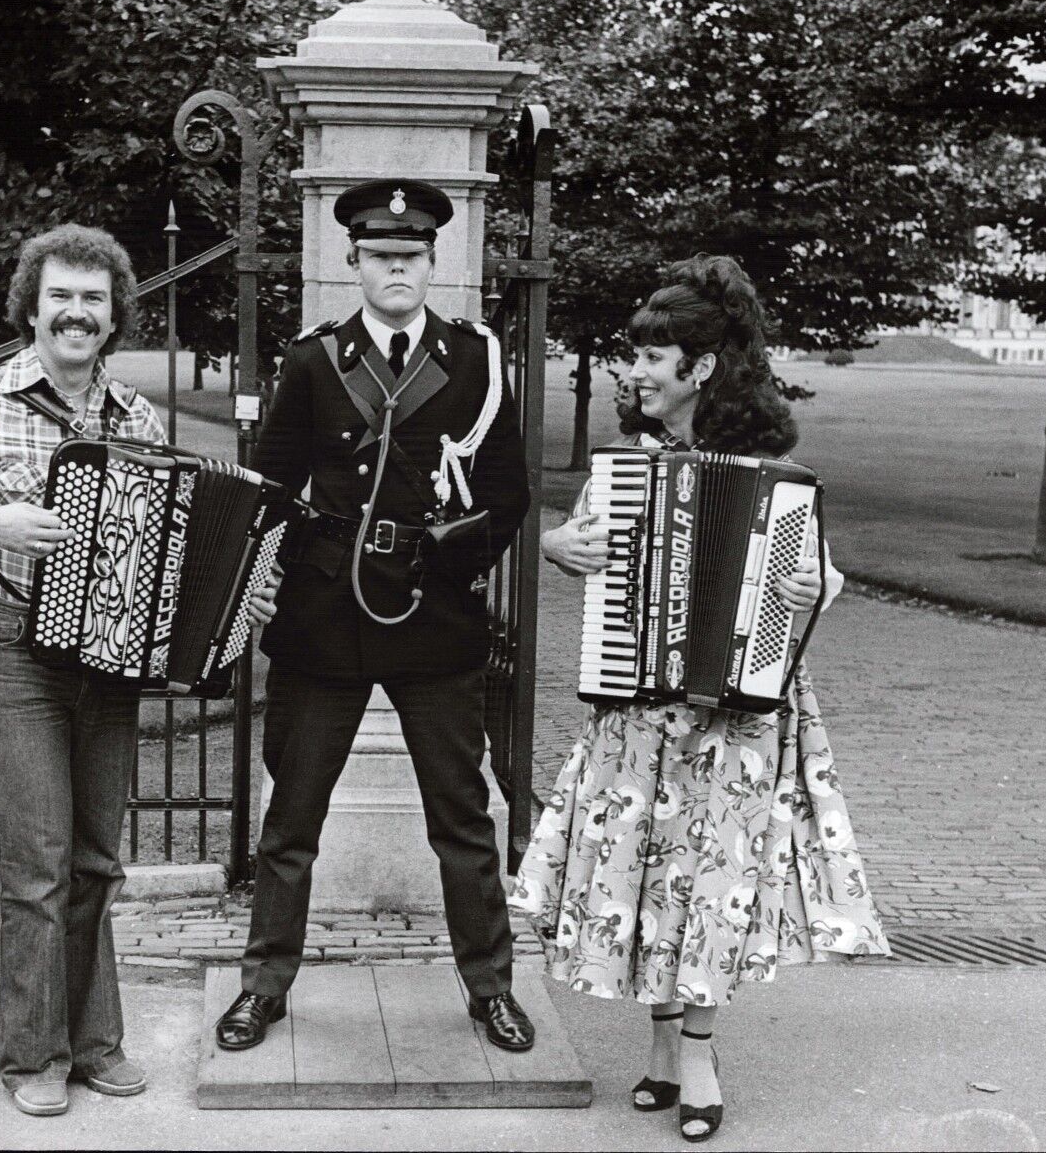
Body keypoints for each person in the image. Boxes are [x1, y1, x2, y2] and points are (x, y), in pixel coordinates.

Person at [0, 223, 279, 1117]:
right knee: (38, 858)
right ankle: (30, 1056)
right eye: (61, 298)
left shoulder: (133, 417)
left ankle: (94, 1042)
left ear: (113, 313)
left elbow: (170, 554)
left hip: (111, 657)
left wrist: (228, 601)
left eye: (93, 299)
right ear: (33, 309)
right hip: (18, 649)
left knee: (95, 860)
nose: (76, 314)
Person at [513, 254, 891, 1142]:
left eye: (654, 357)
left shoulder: (770, 471)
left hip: (738, 720)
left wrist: (811, 590)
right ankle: (656, 1049)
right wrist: (561, 548)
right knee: (647, 875)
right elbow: (579, 545)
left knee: (714, 881)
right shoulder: (628, 468)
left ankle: (697, 1056)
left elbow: (819, 576)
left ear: (702, 367)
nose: (635, 372)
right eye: (635, 356)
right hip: (639, 712)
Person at [214, 178, 537, 1054]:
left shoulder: (476, 359)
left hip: (435, 614)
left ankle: (490, 990)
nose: (397, 268)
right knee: (293, 820)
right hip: (325, 610)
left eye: (413, 255)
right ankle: (265, 986)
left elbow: (509, 494)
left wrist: (453, 554)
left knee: (462, 821)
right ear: (353, 263)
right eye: (380, 256)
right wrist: (264, 582)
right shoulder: (315, 360)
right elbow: (272, 490)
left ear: (434, 264)